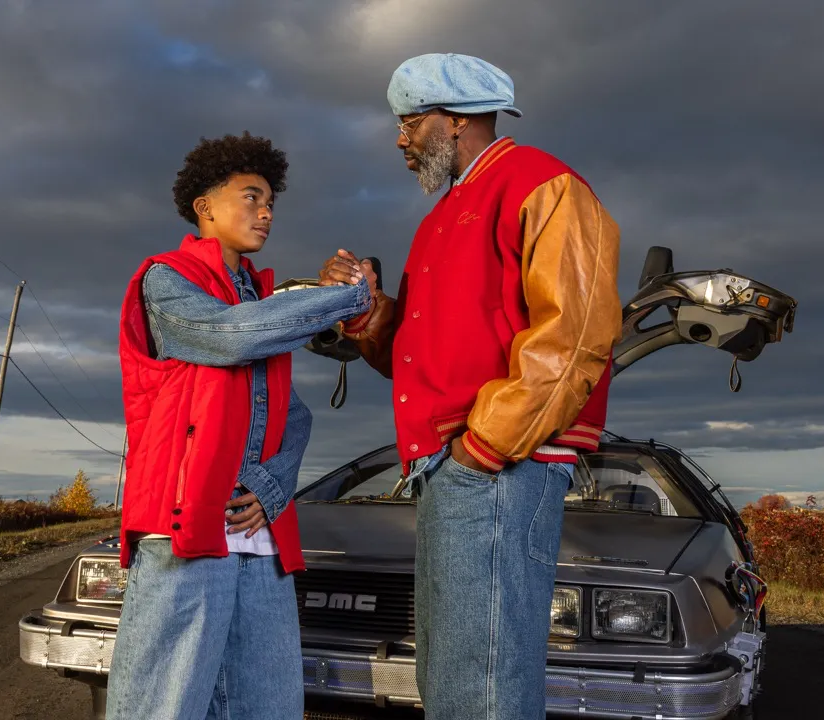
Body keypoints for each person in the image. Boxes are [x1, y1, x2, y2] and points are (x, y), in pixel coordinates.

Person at [319, 53, 622, 719]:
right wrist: (368, 314)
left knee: (480, 686)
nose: (399, 139)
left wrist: (484, 445)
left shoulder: (542, 183)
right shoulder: (439, 220)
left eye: (409, 121)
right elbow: (420, 361)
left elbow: (576, 335)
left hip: (495, 464)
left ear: (455, 121)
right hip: (451, 465)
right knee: (454, 677)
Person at [109, 131, 372, 720]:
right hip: (184, 524)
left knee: (269, 704)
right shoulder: (166, 279)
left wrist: (272, 488)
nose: (266, 212)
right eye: (250, 197)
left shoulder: (261, 298)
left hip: (257, 535)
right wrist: (344, 298)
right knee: (165, 705)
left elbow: (293, 417)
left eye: (271, 202)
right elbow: (230, 336)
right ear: (204, 205)